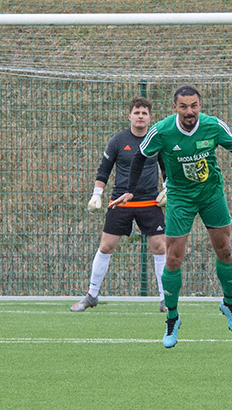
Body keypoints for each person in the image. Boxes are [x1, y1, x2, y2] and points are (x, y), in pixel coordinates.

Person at [110, 85, 232, 348]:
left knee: (225, 251)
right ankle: (172, 319)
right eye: (184, 106)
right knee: (173, 258)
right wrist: (130, 189)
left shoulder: (212, 125)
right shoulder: (163, 130)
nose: (190, 111)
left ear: (200, 105)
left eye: (194, 105)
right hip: (180, 198)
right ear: (175, 107)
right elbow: (141, 156)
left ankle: (229, 304)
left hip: (211, 194)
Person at [72, 96, 168, 313]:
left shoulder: (156, 140)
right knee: (106, 246)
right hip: (120, 201)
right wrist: (97, 194)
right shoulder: (117, 141)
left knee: (160, 247)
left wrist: (167, 189)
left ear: (149, 117)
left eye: (144, 113)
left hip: (150, 201)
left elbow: (166, 170)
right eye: (137, 112)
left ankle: (165, 299)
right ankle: (91, 295)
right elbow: (103, 171)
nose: (140, 116)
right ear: (130, 116)